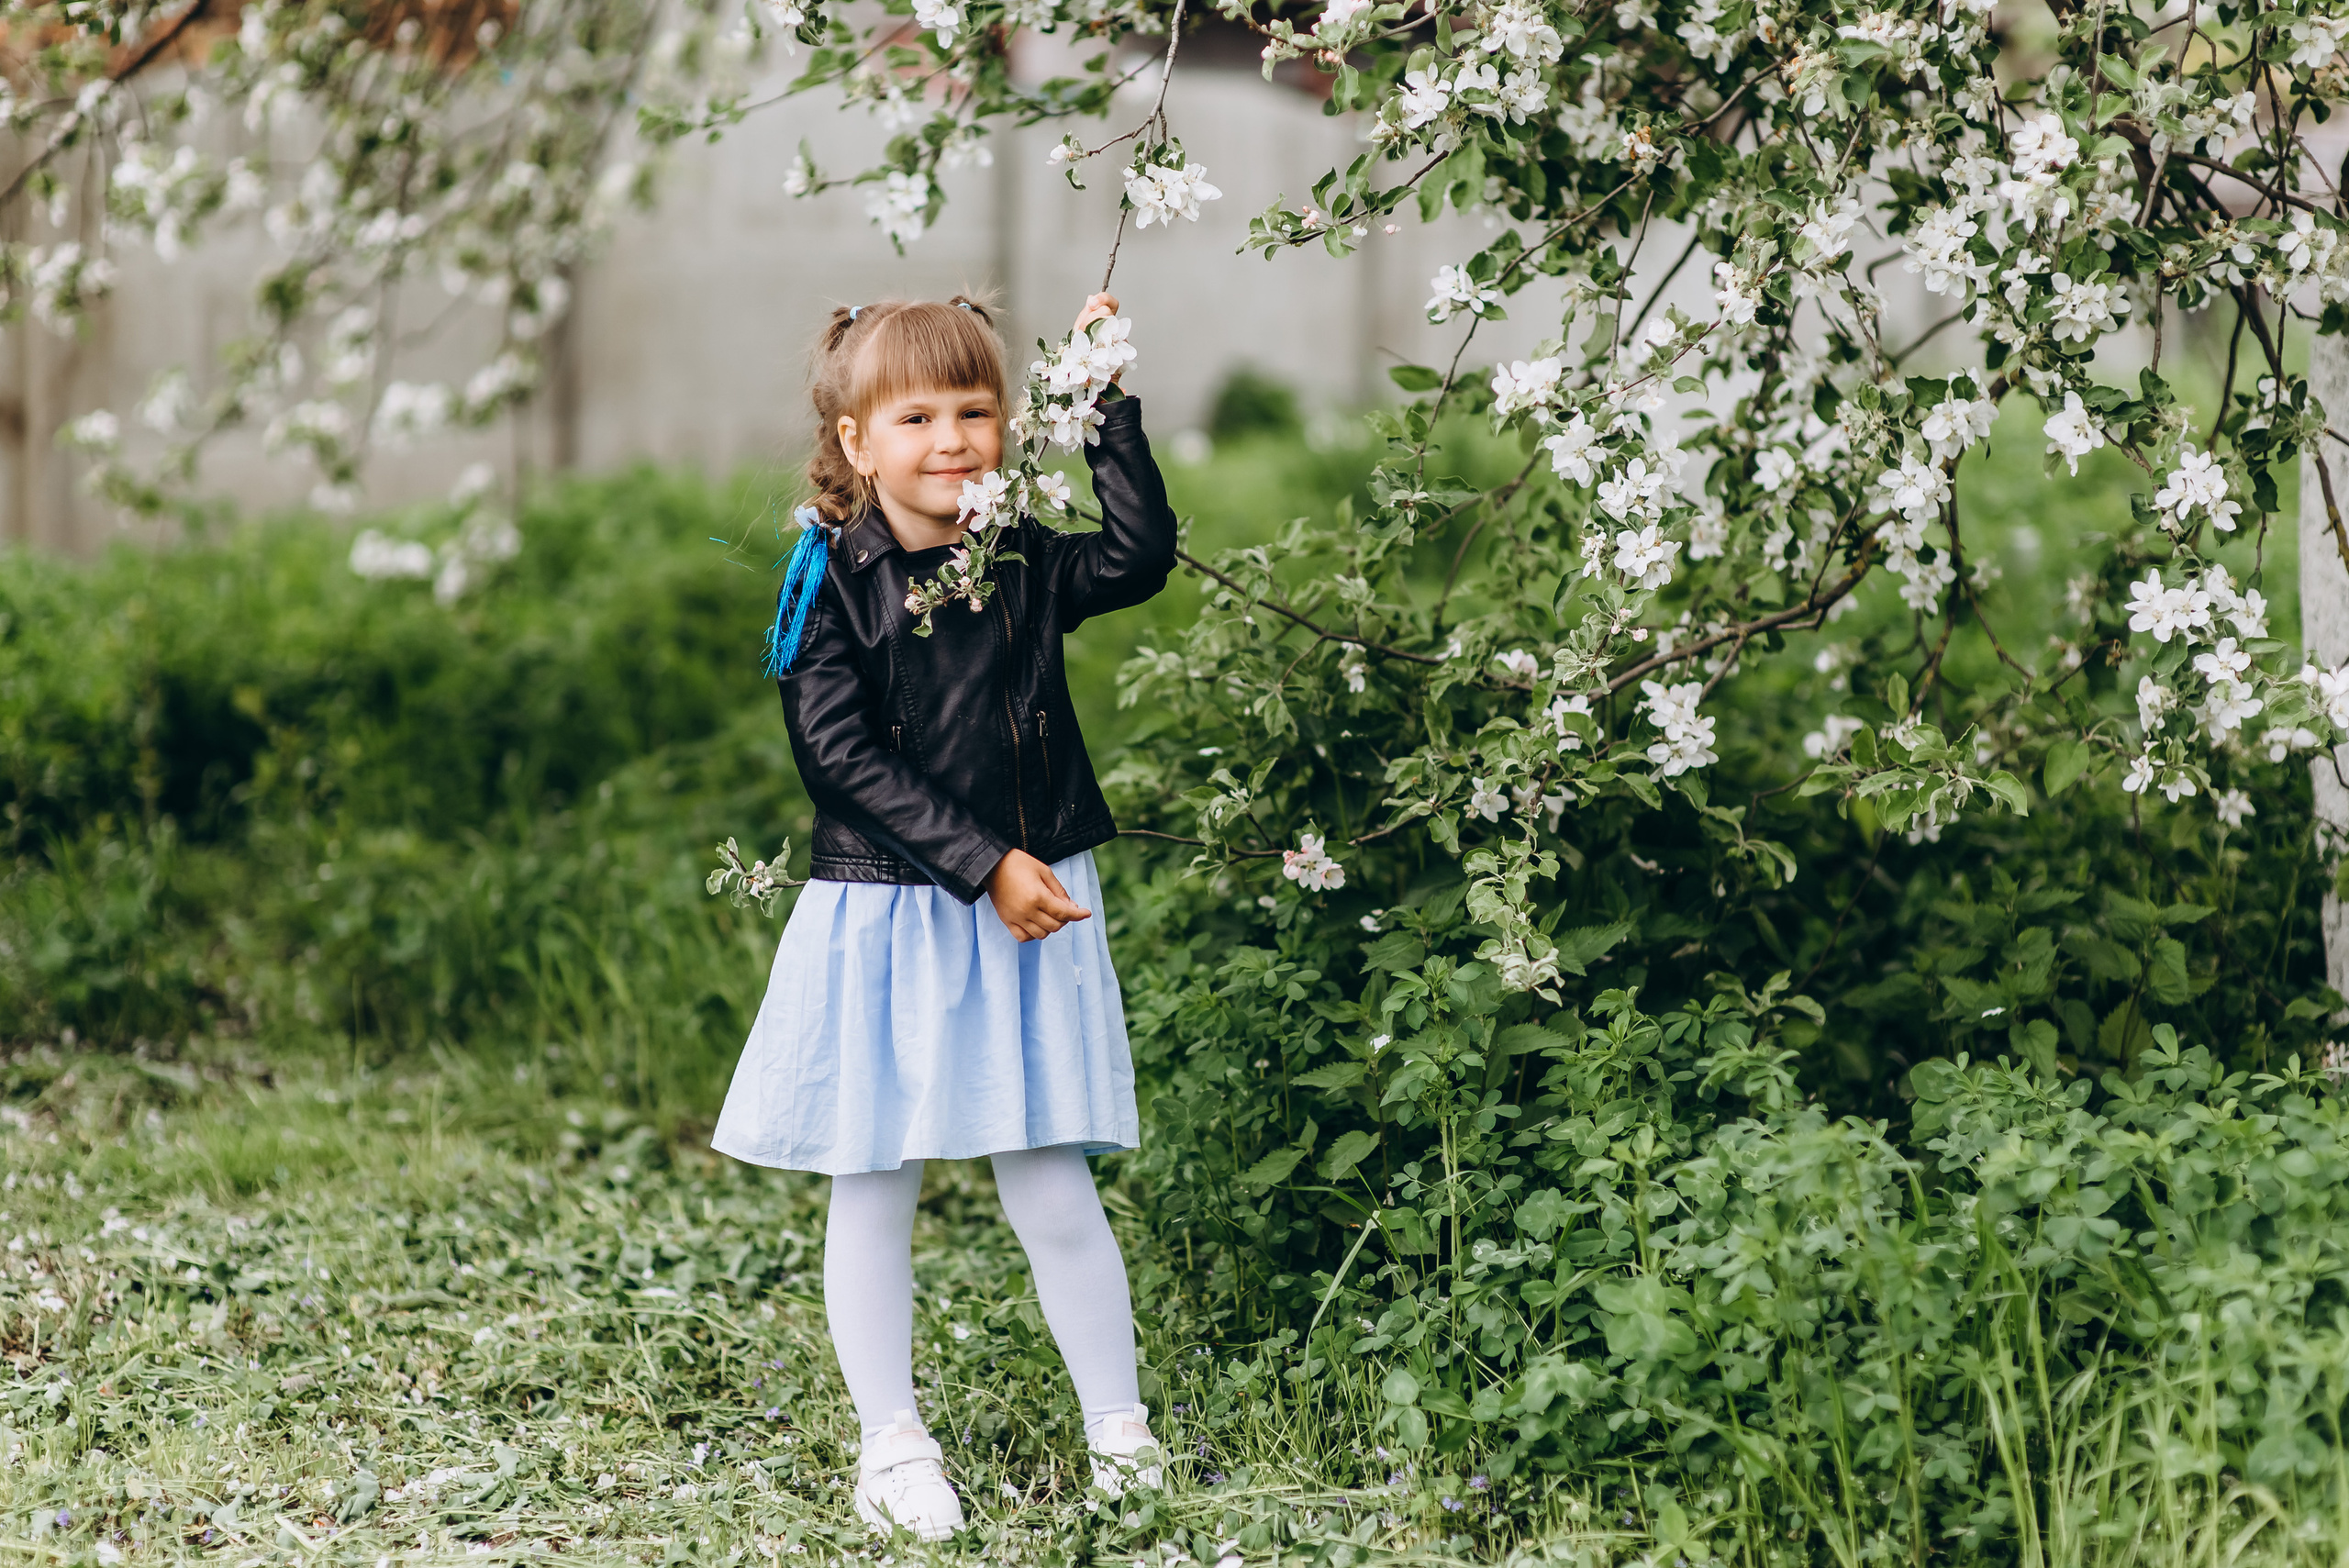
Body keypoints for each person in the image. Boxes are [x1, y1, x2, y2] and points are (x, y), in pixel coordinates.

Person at [709, 291, 1175, 1540]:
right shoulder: (834, 579)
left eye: (976, 409)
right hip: (895, 911)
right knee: (876, 1178)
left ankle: (1119, 1427)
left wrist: (1109, 407)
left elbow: (1136, 559)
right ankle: (892, 1440)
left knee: (1049, 1172)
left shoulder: (1018, 554)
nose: (952, 437)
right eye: (916, 415)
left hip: (1020, 910)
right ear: (860, 443)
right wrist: (985, 862)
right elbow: (840, 759)